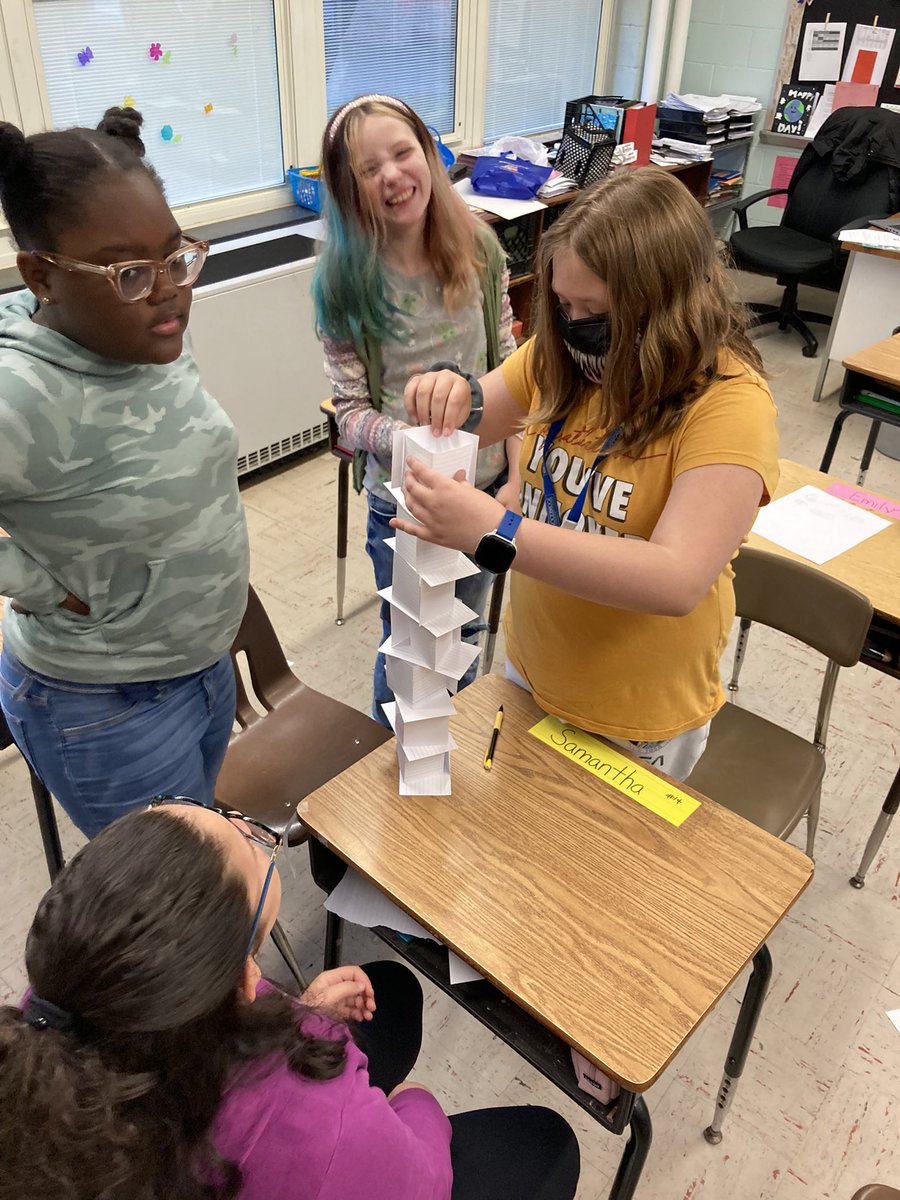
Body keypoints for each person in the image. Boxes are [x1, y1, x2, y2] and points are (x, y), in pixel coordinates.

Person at [395, 166, 780, 782]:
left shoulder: (731, 405)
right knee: (525, 831)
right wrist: (448, 392)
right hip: (534, 665)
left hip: (635, 707)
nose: (573, 327)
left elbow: (676, 579)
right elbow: (481, 412)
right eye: (564, 306)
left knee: (598, 866)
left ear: (662, 304)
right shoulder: (566, 357)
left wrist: (498, 530)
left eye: (593, 311)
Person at [0, 797, 581, 1199]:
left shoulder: (62, 1008)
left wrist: (307, 1014)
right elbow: (424, 1181)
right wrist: (414, 1104)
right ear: (247, 981)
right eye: (252, 845)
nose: (250, 827)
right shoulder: (316, 1133)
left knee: (394, 990)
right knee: (545, 1144)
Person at [0, 108, 249, 836]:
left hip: (203, 667)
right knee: (184, 931)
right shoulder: (20, 393)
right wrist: (41, 585)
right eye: (130, 272)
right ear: (42, 275)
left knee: (207, 884)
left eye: (176, 257)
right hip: (106, 705)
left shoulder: (150, 332)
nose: (170, 289)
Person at [312, 94, 518, 725]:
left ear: (429, 153)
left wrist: (515, 475)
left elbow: (513, 369)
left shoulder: (480, 251)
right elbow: (347, 410)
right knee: (411, 648)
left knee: (465, 632)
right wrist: (412, 439)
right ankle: (394, 772)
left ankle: (445, 754)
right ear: (349, 193)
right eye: (369, 170)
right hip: (403, 506)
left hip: (486, 492)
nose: (392, 176)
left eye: (402, 153)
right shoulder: (345, 282)